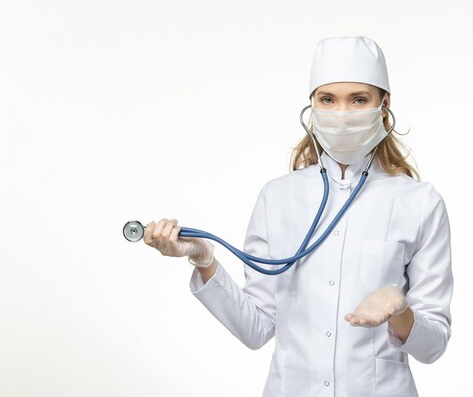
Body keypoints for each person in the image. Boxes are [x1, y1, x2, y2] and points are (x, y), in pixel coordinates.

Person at [143, 36, 454, 397]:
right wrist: (205, 261)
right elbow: (256, 328)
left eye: (358, 99)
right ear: (312, 106)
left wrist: (400, 310)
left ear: (384, 105)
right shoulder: (277, 197)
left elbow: (434, 346)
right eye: (328, 100)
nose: (342, 114)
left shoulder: (419, 202)